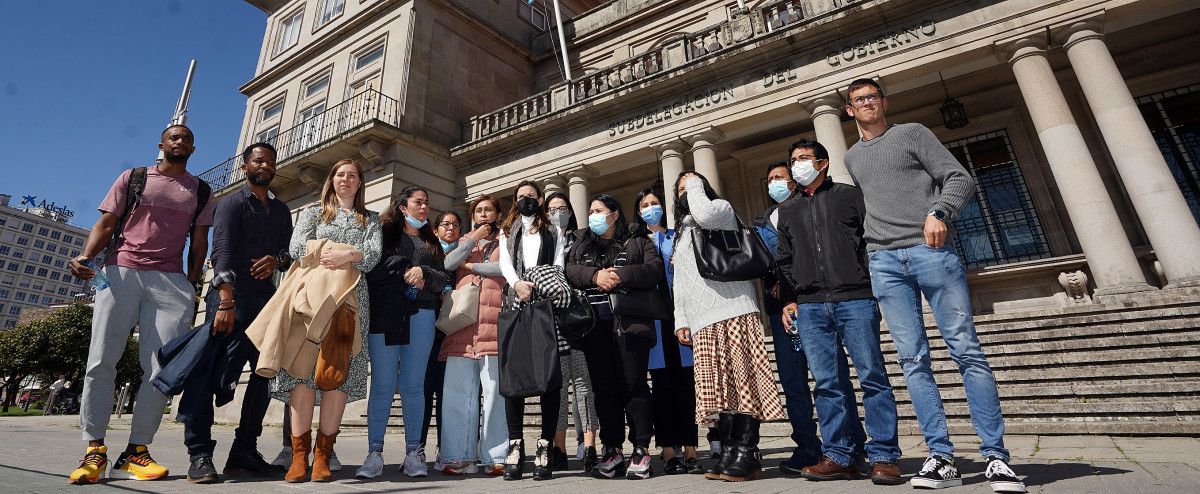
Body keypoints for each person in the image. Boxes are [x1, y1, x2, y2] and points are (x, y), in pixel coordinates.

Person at [843, 78, 1026, 493]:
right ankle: (941, 456)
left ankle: (995, 457)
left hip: (930, 251)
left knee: (965, 348)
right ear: (850, 110)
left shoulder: (912, 134)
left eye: (872, 96)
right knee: (911, 358)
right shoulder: (852, 157)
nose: (867, 103)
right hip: (885, 261)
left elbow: (958, 179)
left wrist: (940, 211)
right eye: (859, 100)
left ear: (884, 102)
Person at [67, 124, 216, 484]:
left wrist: (191, 284)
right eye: (174, 137)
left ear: (193, 149)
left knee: (159, 370)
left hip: (170, 282)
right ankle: (94, 451)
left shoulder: (201, 191)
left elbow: (199, 243)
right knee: (101, 360)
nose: (180, 142)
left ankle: (136, 452)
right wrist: (86, 256)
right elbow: (106, 222)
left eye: (187, 139)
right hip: (119, 272)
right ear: (161, 145)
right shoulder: (134, 177)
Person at [773, 139, 903, 485]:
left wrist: (868, 282)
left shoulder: (849, 196)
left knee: (872, 376)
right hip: (811, 305)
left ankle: (883, 455)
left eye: (804, 158)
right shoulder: (788, 210)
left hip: (855, 298)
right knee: (827, 383)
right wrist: (791, 296)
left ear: (823, 163)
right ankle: (839, 453)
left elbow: (870, 241)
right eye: (794, 159)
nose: (798, 164)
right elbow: (784, 259)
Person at [178, 142, 292, 483]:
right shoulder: (230, 204)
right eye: (259, 160)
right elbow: (222, 250)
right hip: (231, 300)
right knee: (209, 376)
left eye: (271, 162)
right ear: (245, 167)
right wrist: (225, 301)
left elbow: (286, 252)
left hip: (265, 303)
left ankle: (244, 450)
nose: (266, 166)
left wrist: (277, 260)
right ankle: (199, 454)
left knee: (264, 375)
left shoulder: (282, 210)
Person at [670, 171, 785, 482]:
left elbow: (703, 212)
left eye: (690, 186)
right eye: (680, 189)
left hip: (732, 308)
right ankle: (731, 450)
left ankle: (748, 452)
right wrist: (682, 319)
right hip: (702, 320)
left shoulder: (719, 210)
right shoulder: (681, 232)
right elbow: (680, 281)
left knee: (742, 382)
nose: (685, 192)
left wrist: (694, 185)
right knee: (721, 390)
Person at [752, 160, 866, 475]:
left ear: (793, 182)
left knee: (834, 378)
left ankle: (852, 446)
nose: (774, 182)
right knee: (793, 383)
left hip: (815, 304)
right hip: (780, 313)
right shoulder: (760, 224)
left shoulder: (811, 209)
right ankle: (807, 447)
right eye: (770, 178)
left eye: (780, 177)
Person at [276, 158, 381, 483]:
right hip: (310, 300)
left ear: (360, 183)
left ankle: (322, 455)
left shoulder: (372, 219)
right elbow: (296, 248)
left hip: (350, 304)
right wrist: (342, 250)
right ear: (332, 180)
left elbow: (374, 255)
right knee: (302, 376)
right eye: (340, 175)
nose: (346, 180)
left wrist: (348, 256)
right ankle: (298, 456)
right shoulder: (312, 213)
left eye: (352, 175)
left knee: (337, 375)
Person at [564, 193, 663, 480]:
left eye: (599, 210)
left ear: (614, 214)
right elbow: (570, 270)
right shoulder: (583, 244)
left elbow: (653, 270)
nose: (593, 215)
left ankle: (641, 448)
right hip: (595, 329)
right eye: (591, 210)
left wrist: (620, 275)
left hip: (630, 327)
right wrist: (595, 276)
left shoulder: (637, 240)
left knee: (633, 386)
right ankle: (612, 449)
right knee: (604, 391)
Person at [356, 186, 448, 479]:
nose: (424, 207)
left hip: (421, 315)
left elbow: (443, 277)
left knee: (413, 386)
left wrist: (426, 273)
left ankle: (413, 453)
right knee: (382, 386)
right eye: (418, 202)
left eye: (427, 203)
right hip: (386, 316)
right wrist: (405, 266)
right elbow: (370, 269)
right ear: (402, 206)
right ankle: (374, 454)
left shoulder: (431, 241)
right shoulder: (383, 234)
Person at [497, 180, 565, 481]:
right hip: (515, 306)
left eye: (531, 196)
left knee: (550, 375)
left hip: (546, 308)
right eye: (521, 196)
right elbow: (505, 262)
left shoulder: (553, 230)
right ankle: (515, 444)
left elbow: (559, 265)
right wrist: (517, 284)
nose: (526, 200)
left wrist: (541, 282)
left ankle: (544, 445)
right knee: (515, 376)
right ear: (516, 200)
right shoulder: (508, 230)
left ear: (540, 199)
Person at [633, 186, 702, 475]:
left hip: (682, 317)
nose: (652, 208)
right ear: (638, 211)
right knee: (662, 385)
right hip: (656, 321)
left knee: (686, 383)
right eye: (646, 204)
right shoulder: (637, 243)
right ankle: (668, 449)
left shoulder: (677, 237)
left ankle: (691, 448)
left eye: (655, 203)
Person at [440, 197, 508, 476]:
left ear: (497, 214)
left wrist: (470, 267)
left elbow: (503, 268)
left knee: (495, 393)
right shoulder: (465, 239)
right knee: (457, 393)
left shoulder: (506, 239)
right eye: (478, 211)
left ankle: (496, 456)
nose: (483, 214)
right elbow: (449, 263)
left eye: (488, 210)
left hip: (494, 324)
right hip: (463, 326)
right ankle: (459, 456)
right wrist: (471, 241)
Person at [545, 191, 599, 472]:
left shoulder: (582, 239)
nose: (557, 213)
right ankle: (559, 448)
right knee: (558, 388)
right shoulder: (541, 241)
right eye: (552, 209)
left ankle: (589, 446)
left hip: (578, 319)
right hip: (551, 322)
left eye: (562, 207)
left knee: (583, 386)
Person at [424, 210, 459, 471]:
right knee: (425, 392)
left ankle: (445, 448)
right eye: (445, 224)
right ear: (436, 230)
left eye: (456, 225)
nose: (451, 228)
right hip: (428, 332)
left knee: (447, 395)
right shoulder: (429, 253)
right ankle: (417, 448)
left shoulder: (464, 255)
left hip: (454, 332)